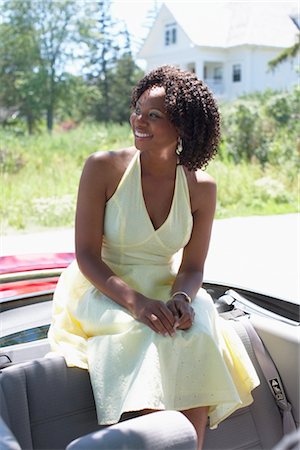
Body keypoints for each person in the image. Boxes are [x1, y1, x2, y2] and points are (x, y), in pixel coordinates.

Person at [48, 65, 259, 450]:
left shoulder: (202, 189)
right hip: (104, 286)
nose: (139, 121)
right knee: (149, 334)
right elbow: (85, 256)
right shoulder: (103, 167)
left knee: (192, 333)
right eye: (138, 109)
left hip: (168, 286)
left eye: (154, 115)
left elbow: (193, 268)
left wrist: (182, 299)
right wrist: (138, 304)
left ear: (184, 128)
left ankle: (189, 446)